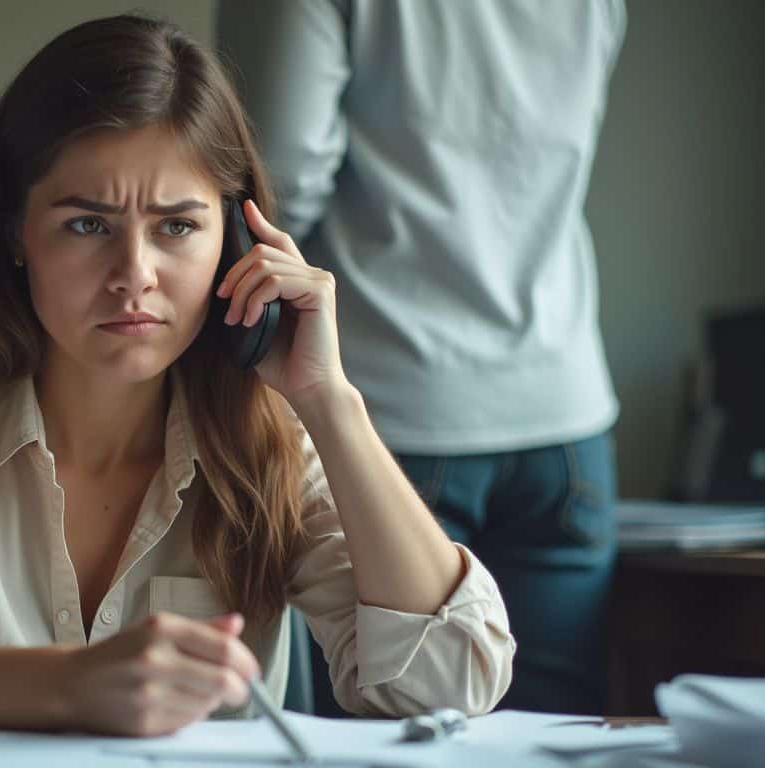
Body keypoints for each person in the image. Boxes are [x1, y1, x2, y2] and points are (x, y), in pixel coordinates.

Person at [0, 14, 514, 735]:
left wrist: (330, 401)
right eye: (87, 224)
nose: (134, 275)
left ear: (236, 244)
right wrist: (71, 684)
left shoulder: (272, 443)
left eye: (177, 226)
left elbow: (447, 683)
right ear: (15, 233)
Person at [218, 0, 624, 714]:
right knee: (549, 734)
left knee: (391, 727)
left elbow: (273, 181)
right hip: (564, 405)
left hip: (393, 401)